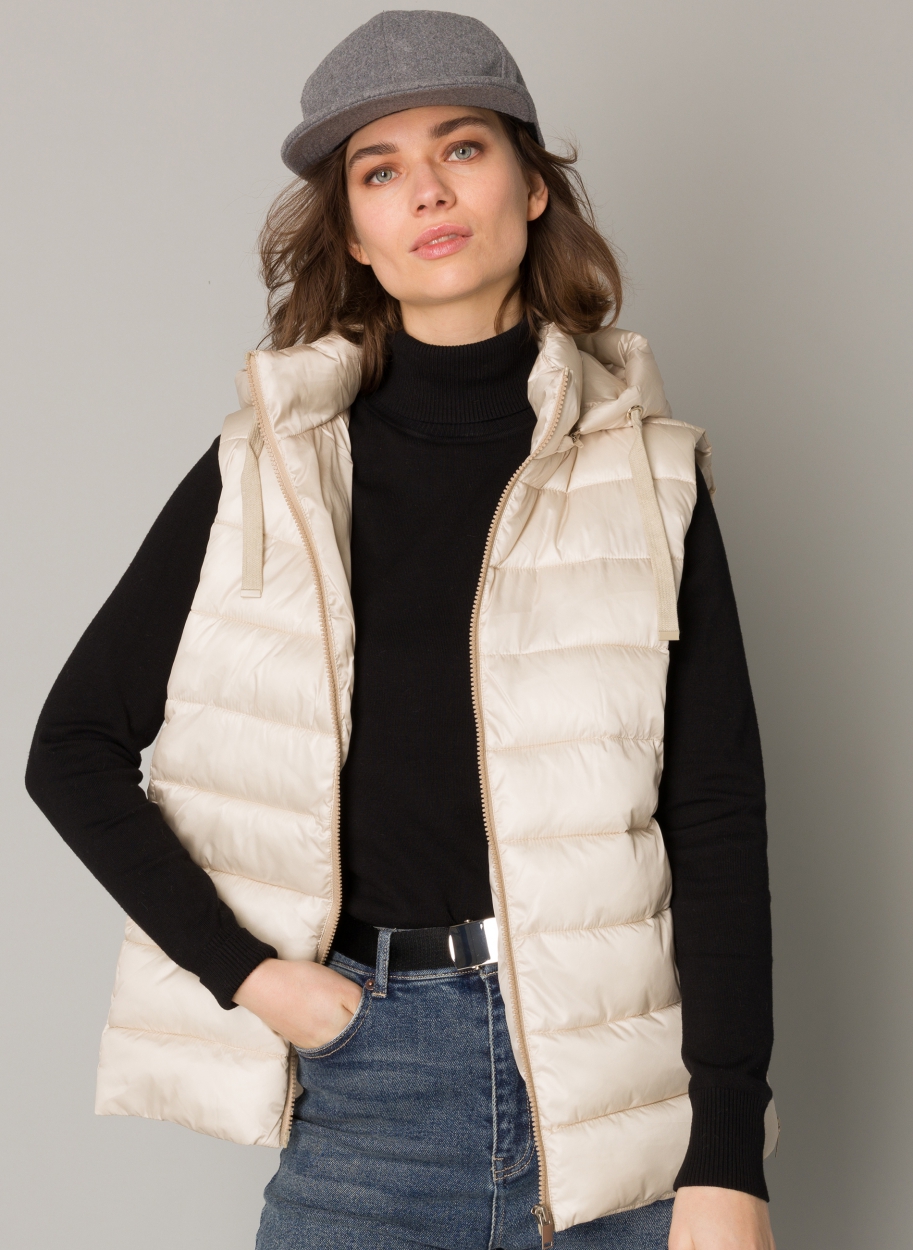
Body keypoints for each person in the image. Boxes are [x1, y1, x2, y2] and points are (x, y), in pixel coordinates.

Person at [26, 11, 777, 1250]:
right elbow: (72, 746)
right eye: (379, 171)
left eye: (462, 148)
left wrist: (728, 1155)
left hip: (616, 1104)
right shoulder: (266, 474)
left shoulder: (648, 476)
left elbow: (714, 812)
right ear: (353, 233)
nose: (426, 189)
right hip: (367, 1092)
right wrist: (251, 974)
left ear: (532, 186)